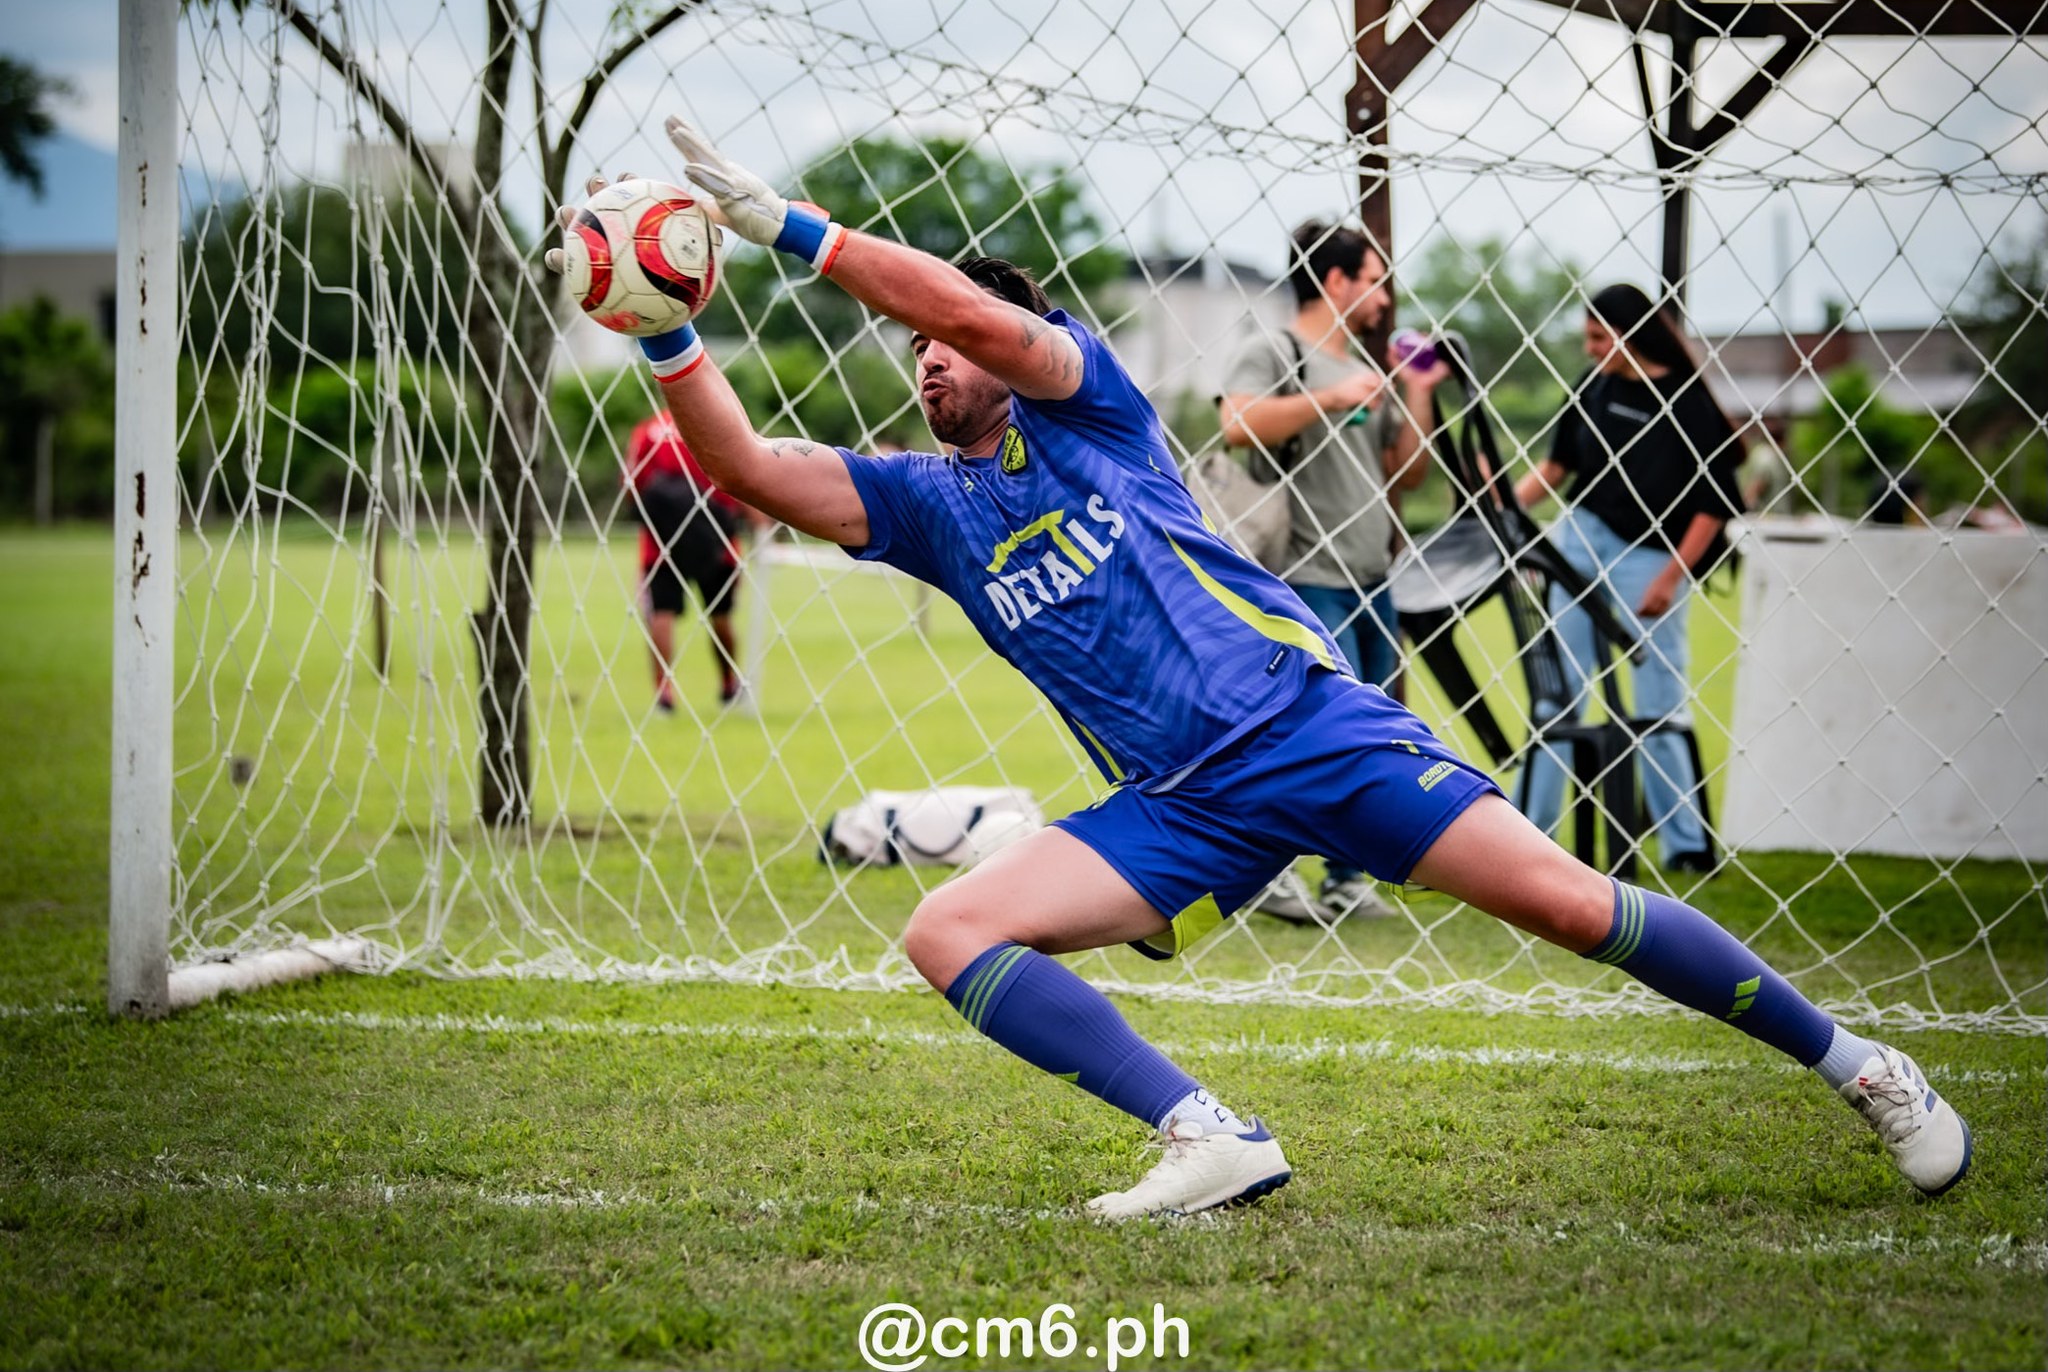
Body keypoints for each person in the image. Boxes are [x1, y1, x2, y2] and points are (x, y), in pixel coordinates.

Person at [549, 117, 1971, 1219]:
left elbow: (981, 317)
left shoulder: (1083, 401)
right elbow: (737, 462)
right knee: (945, 932)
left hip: (1304, 727)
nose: (925, 361)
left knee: (1569, 903)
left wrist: (788, 226)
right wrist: (665, 322)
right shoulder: (923, 501)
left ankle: (1864, 1067)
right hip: (1176, 804)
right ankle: (1208, 1137)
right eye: (907, 348)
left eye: (939, 340)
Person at [1219, 222, 1448, 922]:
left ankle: (1347, 879)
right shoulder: (1278, 351)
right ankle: (1269, 874)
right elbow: (1238, 424)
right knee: (1306, 737)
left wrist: (1418, 390)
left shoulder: (1366, 368)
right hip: (1305, 577)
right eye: (1374, 279)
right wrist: (1334, 397)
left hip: (1373, 580)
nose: (1384, 296)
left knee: (1371, 737)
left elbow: (1407, 473)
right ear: (1337, 281)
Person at [1512, 284, 1746, 876]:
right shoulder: (1594, 388)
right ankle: (1525, 833)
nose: (1590, 349)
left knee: (1660, 701)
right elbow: (1556, 468)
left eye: (1598, 337)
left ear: (1631, 333)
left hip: (1652, 558)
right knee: (1557, 689)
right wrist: (1500, 508)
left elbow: (1714, 504)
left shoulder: (1687, 402)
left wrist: (1671, 577)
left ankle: (1684, 844)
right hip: (1581, 541)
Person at [624, 407, 749, 711]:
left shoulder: (648, 431)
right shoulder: (716, 421)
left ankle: (663, 692)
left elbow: (630, 485)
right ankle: (728, 684)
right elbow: (741, 481)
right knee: (721, 616)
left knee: (662, 614)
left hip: (661, 545)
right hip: (716, 543)